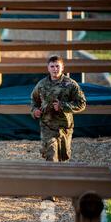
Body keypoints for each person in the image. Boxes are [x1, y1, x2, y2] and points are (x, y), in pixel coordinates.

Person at [30, 55, 86, 201]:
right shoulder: (41, 85)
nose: (55, 69)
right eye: (52, 66)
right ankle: (49, 192)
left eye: (57, 66)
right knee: (51, 155)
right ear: (48, 68)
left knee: (63, 157)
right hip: (47, 126)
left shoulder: (70, 84)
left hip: (64, 127)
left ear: (62, 68)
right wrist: (34, 111)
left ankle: (61, 187)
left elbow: (81, 103)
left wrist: (63, 106)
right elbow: (34, 101)